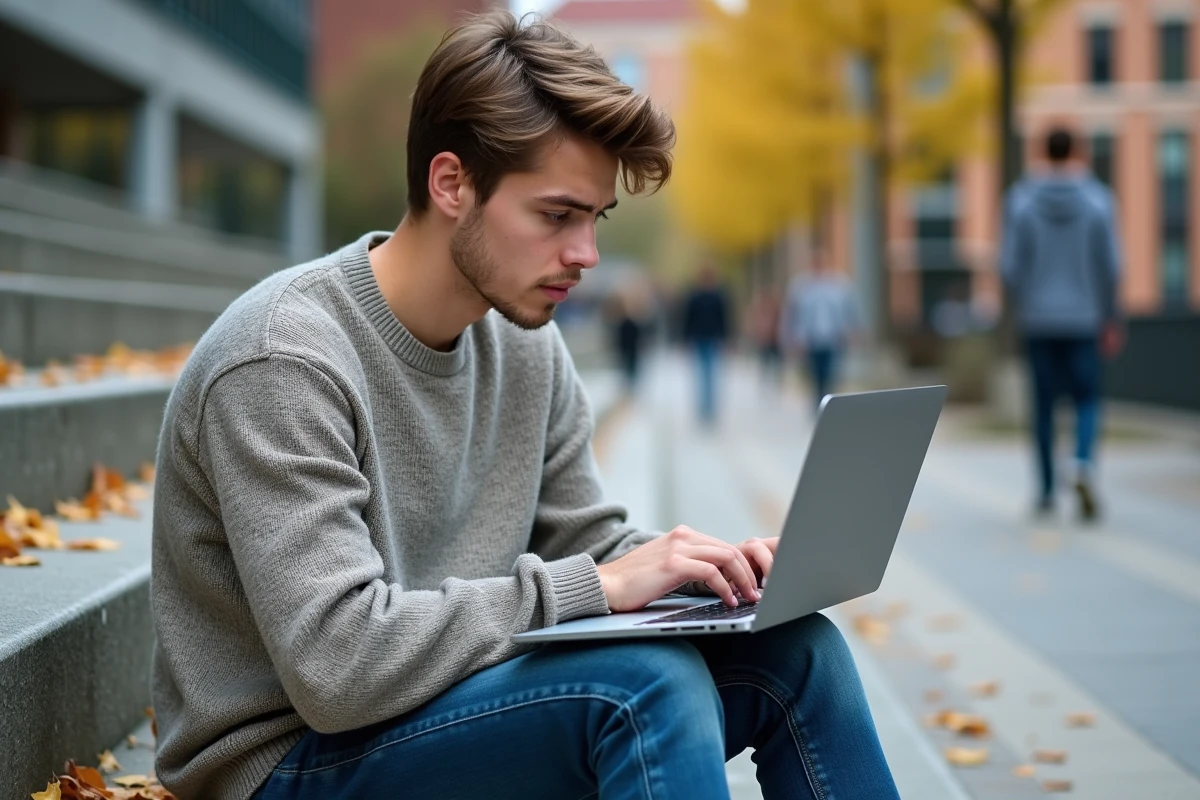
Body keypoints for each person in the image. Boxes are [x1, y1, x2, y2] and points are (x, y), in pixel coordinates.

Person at [150, 11, 900, 800]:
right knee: (646, 686)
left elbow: (588, 542)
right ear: (451, 183)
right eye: (556, 215)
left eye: (595, 218)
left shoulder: (523, 342)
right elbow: (338, 666)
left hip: (444, 701)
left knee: (800, 653)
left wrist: (707, 573)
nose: (587, 254)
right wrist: (598, 585)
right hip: (288, 760)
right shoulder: (283, 358)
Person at [1001, 127, 1122, 521]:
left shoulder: (1020, 201)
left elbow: (1009, 267)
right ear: (1076, 151)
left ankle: (1046, 491)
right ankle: (1082, 461)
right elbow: (1111, 266)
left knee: (1043, 406)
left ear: (1043, 151)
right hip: (1085, 319)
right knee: (1087, 399)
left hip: (1038, 320)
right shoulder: (1099, 201)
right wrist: (1110, 314)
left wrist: (1024, 303)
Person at [779, 252, 863, 410]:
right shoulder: (801, 286)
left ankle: (828, 402)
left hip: (834, 338)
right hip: (810, 340)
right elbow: (791, 314)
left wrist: (854, 330)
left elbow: (851, 309)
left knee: (832, 373)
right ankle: (819, 403)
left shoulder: (839, 284)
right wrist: (790, 338)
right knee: (815, 374)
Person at [681, 265, 731, 427]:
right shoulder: (695, 297)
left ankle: (709, 408)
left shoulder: (717, 296)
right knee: (703, 374)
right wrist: (687, 339)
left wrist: (725, 338)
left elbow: (724, 319)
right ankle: (704, 408)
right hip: (699, 338)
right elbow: (688, 318)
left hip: (712, 338)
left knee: (710, 373)